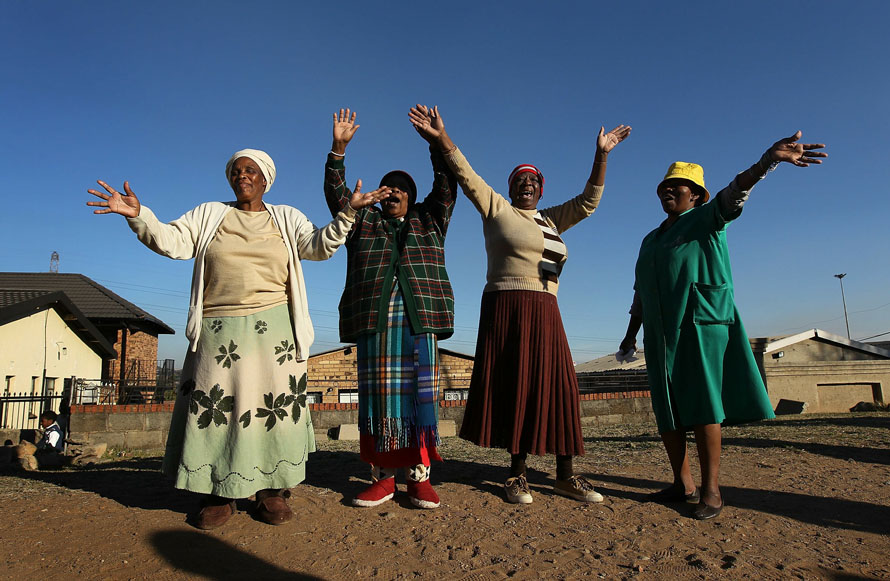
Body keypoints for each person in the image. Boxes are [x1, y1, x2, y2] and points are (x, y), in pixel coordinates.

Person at [87, 149, 388, 529]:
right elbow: (173, 241)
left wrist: (347, 214)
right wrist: (139, 216)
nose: (242, 176)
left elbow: (318, 246)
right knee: (217, 411)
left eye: (250, 170)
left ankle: (271, 491)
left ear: (266, 179)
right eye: (236, 171)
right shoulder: (211, 214)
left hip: (275, 331)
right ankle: (219, 492)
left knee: (271, 411)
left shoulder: (286, 217)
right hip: (218, 329)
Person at [410, 105, 630, 504]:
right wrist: (441, 138)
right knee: (517, 384)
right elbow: (465, 173)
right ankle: (516, 475)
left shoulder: (551, 220)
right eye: (519, 181)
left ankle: (565, 475)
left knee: (560, 386)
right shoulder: (497, 208)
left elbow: (589, 202)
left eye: (532, 181)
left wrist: (602, 155)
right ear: (510, 188)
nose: (525, 185)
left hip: (546, 311)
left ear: (541, 189)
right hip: (507, 309)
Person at [618, 131, 827, 520]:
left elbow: (735, 193)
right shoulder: (650, 240)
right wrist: (630, 335)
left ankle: (711, 490)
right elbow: (641, 293)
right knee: (668, 409)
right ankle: (682, 484)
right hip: (661, 334)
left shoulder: (708, 217)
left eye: (679, 186)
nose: (670, 190)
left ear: (696, 194)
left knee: (703, 406)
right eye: (665, 185)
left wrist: (768, 160)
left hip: (701, 325)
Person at [324, 109, 457, 509]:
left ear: (413, 197)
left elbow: (448, 186)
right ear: (380, 196)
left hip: (421, 321)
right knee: (379, 401)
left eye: (402, 188)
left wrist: (437, 144)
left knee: (420, 399)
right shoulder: (362, 221)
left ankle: (419, 478)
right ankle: (382, 478)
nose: (395, 191)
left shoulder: (430, 220)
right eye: (389, 187)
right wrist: (338, 151)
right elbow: (337, 197)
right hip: (376, 322)